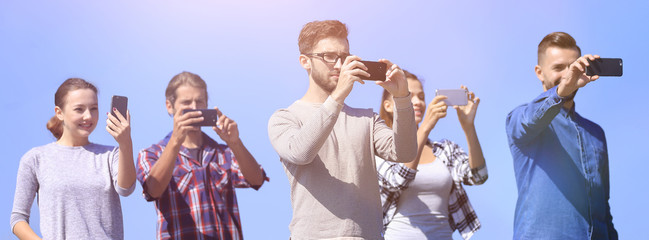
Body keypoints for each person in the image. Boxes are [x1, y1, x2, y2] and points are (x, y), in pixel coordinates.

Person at [267, 20, 418, 239]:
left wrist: (402, 98)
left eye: (344, 57)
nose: (339, 65)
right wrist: (338, 96)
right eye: (329, 56)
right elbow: (301, 153)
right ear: (305, 61)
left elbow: (405, 153)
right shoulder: (284, 118)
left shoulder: (367, 118)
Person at [505, 32, 618, 239]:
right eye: (559, 68)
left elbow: (603, 206)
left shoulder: (596, 133)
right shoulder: (520, 119)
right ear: (539, 73)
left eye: (573, 66)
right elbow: (530, 120)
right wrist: (562, 91)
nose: (568, 74)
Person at [136, 71, 268, 240]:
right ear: (170, 106)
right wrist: (176, 141)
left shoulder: (224, 153)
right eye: (186, 102)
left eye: (199, 102)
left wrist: (235, 142)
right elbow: (152, 191)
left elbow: (256, 179)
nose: (194, 108)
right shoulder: (151, 154)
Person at [10, 78, 136, 240]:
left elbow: (126, 189)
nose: (88, 116)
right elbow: (18, 219)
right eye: (79, 109)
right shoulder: (35, 159)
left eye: (94, 108)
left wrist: (125, 142)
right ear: (59, 113)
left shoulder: (111, 155)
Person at [377, 71, 488, 240]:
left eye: (421, 96)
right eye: (408, 95)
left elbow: (479, 176)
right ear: (388, 106)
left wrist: (468, 127)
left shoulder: (444, 149)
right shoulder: (382, 148)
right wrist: (426, 126)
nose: (418, 102)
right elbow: (400, 179)